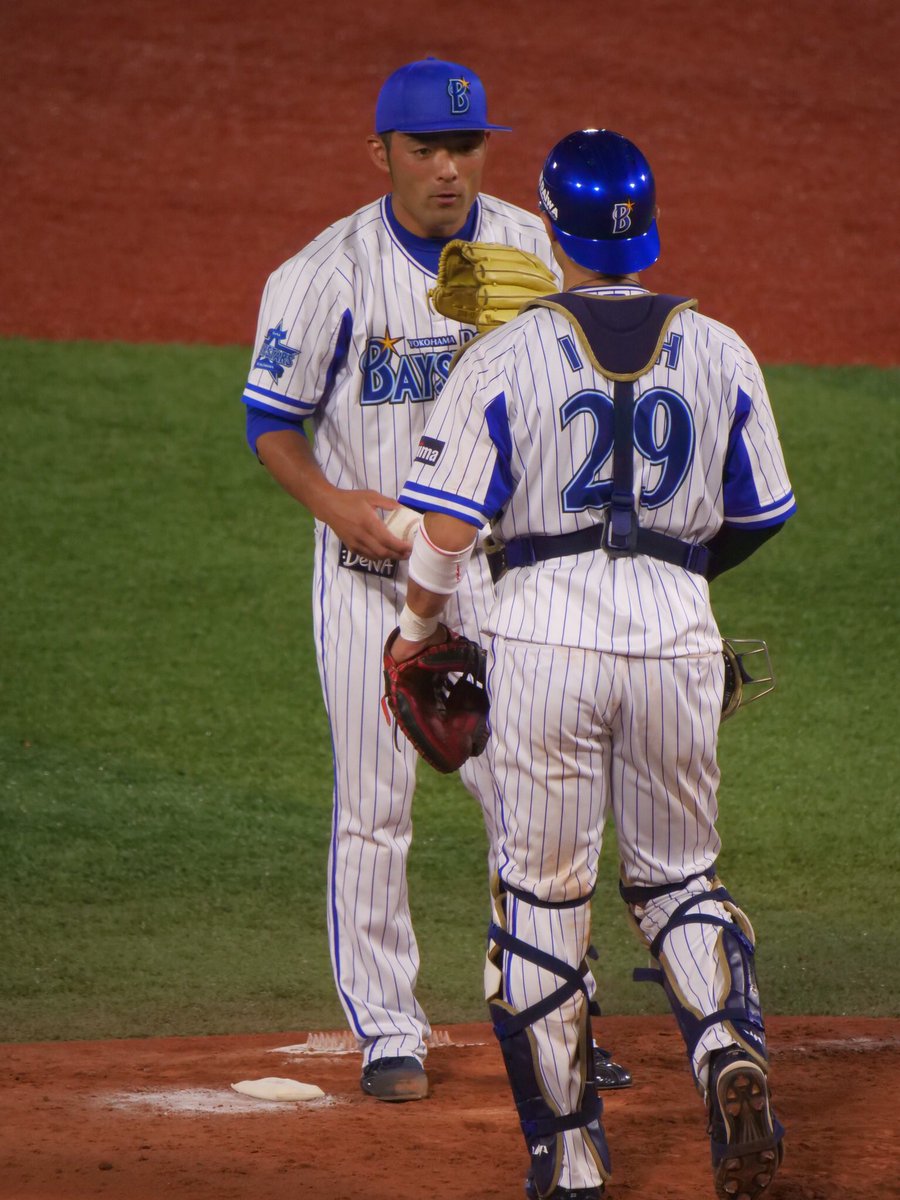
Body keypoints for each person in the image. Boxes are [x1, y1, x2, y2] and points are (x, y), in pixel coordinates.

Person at [390, 129, 794, 1199]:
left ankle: (570, 1158)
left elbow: (444, 531)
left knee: (542, 900)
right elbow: (762, 511)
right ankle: (727, 1053)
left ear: (550, 225)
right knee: (678, 878)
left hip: (544, 643)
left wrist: (414, 631)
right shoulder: (722, 349)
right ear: (648, 226)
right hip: (678, 640)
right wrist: (676, 577)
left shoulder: (505, 354)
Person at [240, 62, 630, 1102]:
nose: (450, 169)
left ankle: (552, 1015)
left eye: (467, 146)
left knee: (535, 806)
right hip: (371, 581)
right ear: (382, 154)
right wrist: (335, 504)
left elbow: (582, 390)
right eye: (426, 149)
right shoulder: (325, 275)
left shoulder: (529, 247)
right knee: (377, 809)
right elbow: (270, 421)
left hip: (502, 581)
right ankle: (387, 1030)